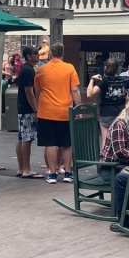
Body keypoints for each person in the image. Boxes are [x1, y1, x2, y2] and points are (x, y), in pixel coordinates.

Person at [34, 42, 80, 184]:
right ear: (63, 53)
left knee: (51, 143)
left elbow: (37, 90)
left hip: (46, 111)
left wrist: (37, 107)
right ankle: (68, 173)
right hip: (65, 111)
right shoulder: (69, 68)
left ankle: (52, 174)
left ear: (50, 54)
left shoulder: (42, 70)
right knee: (66, 144)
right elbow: (75, 90)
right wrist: (78, 109)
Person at [87, 58, 129, 142]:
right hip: (121, 114)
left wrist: (92, 79)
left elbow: (90, 93)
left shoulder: (104, 81)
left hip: (106, 114)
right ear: (118, 69)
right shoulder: (126, 80)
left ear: (105, 68)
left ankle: (106, 155)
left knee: (106, 140)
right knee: (120, 140)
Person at [15, 46, 44, 179]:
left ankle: (21, 168)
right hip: (27, 109)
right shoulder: (28, 70)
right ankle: (26, 169)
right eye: (35, 54)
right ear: (29, 56)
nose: (38, 55)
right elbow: (29, 92)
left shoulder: (26, 69)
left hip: (22, 108)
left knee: (22, 138)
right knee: (27, 139)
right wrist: (36, 109)